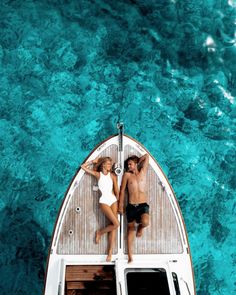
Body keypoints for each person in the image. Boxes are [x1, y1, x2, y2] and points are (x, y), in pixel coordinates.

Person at [81, 156, 119, 262]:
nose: (110, 166)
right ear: (103, 165)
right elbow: (83, 167)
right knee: (116, 224)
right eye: (108, 164)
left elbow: (117, 191)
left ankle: (110, 252)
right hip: (104, 201)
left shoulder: (113, 176)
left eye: (110, 164)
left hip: (113, 201)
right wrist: (93, 162)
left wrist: (120, 204)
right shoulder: (98, 175)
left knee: (113, 226)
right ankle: (100, 232)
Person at [118, 154, 149, 263]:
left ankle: (140, 227)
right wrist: (120, 205)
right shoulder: (126, 175)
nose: (129, 166)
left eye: (130, 164)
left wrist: (138, 161)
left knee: (145, 222)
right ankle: (130, 255)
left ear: (135, 164)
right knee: (130, 229)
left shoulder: (143, 172)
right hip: (131, 206)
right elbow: (122, 191)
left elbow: (147, 156)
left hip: (142, 205)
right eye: (128, 165)